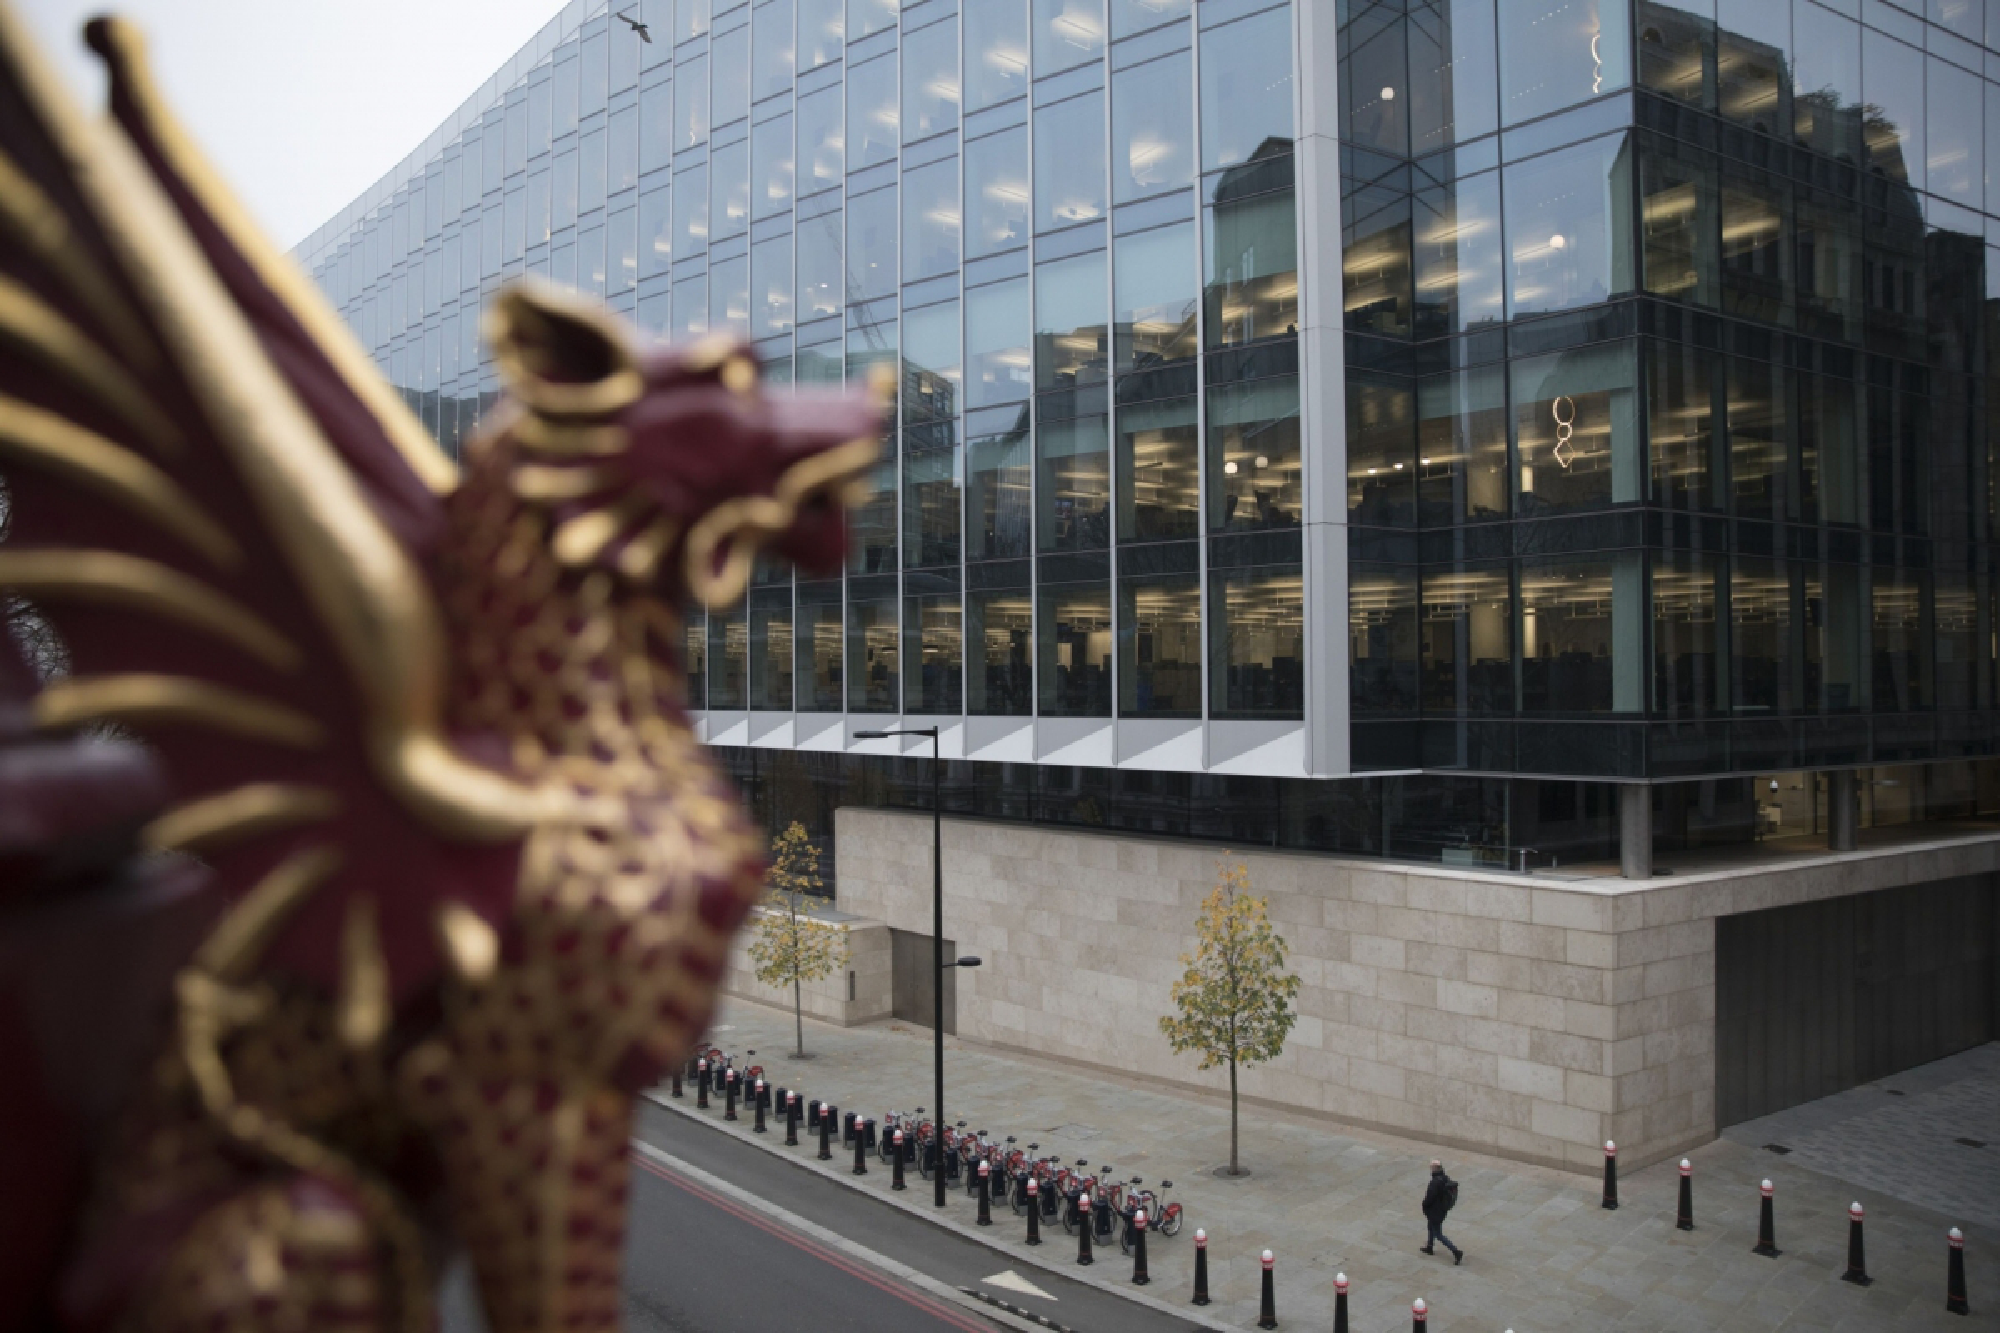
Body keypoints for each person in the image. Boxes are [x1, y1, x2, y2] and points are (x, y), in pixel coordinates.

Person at [1421, 1159, 1463, 1264]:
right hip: (1441, 1210)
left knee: (1438, 1234)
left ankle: (1456, 1251)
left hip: (1435, 1211)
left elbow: (1429, 1198)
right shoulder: (1445, 1178)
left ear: (1434, 1169)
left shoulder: (1435, 1183)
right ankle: (1429, 1247)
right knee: (1431, 1227)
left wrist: (1424, 1205)